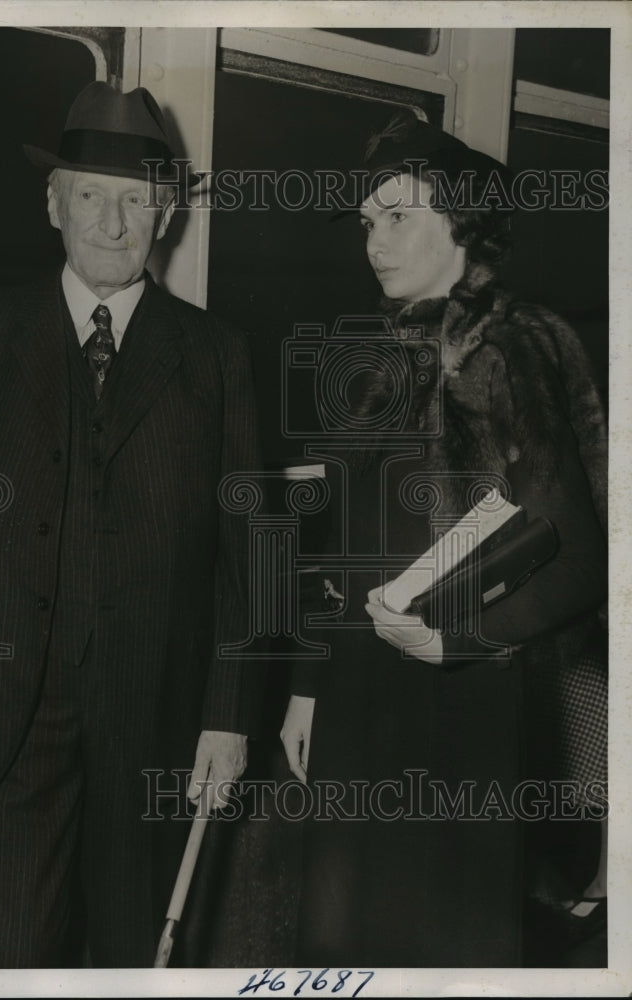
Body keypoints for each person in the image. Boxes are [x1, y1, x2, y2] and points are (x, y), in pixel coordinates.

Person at [0, 82, 261, 968]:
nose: (112, 219)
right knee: (14, 962)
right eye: (90, 193)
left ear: (165, 217)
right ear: (52, 201)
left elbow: (251, 554)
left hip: (158, 727)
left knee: (140, 961)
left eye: (136, 198)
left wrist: (230, 716)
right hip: (6, 722)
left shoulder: (216, 356)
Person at [280, 110, 607, 967]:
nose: (374, 242)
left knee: (436, 946)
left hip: (458, 702)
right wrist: (310, 688)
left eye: (398, 218)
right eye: (366, 223)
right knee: (340, 942)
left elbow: (580, 556)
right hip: (357, 704)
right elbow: (339, 546)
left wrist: (457, 636)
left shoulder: (512, 349)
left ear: (461, 223)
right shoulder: (381, 352)